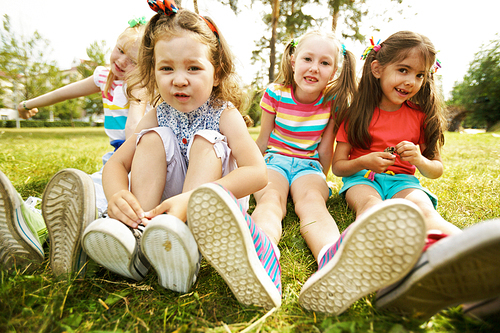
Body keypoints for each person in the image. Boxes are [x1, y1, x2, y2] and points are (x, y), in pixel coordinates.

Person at [81, 0, 268, 297]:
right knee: (153, 138)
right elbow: (116, 164)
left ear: (217, 73)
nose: (179, 80)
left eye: (194, 68)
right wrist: (118, 195)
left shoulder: (224, 114)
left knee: (206, 139)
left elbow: (258, 173)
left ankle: (187, 245)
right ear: (153, 71)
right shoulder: (158, 114)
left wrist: (194, 198)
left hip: (210, 208)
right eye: (166, 68)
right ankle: (139, 238)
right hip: (161, 211)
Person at [327, 31, 500, 319]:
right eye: (403, 70)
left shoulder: (421, 115)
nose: (411, 81)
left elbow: (436, 169)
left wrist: (418, 158)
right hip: (362, 180)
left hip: (404, 181)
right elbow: (338, 167)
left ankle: (473, 260)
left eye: (420, 75)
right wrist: (365, 160)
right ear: (377, 68)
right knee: (371, 207)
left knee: (423, 210)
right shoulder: (355, 112)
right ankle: (379, 265)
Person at [1, 20, 148, 276]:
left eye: (133, 61)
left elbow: (134, 133)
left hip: (140, 158)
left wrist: (138, 99)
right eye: (120, 50)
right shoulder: (105, 76)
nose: (122, 61)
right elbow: (66, 92)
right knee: (89, 190)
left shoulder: (144, 86)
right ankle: (33, 226)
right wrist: (28, 104)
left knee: (101, 197)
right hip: (115, 158)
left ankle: (62, 234)